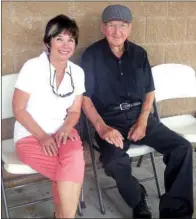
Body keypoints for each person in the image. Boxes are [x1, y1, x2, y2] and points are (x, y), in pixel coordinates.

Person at [81, 4, 193, 219]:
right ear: (103, 28)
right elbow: (85, 98)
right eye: (112, 25)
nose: (117, 32)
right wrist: (102, 128)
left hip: (140, 116)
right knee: (114, 162)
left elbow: (150, 92)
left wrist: (142, 121)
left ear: (129, 28)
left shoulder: (139, 53)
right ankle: (136, 197)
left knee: (182, 148)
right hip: (109, 120)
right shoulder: (92, 56)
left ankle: (176, 213)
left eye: (122, 25)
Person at [13, 14, 85, 218]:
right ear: (48, 41)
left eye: (70, 39)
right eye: (59, 38)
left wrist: (66, 127)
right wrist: (43, 137)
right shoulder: (32, 67)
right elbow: (18, 109)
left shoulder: (77, 72)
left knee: (72, 159)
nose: (65, 44)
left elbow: (74, 111)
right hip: (30, 134)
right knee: (71, 171)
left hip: (63, 131)